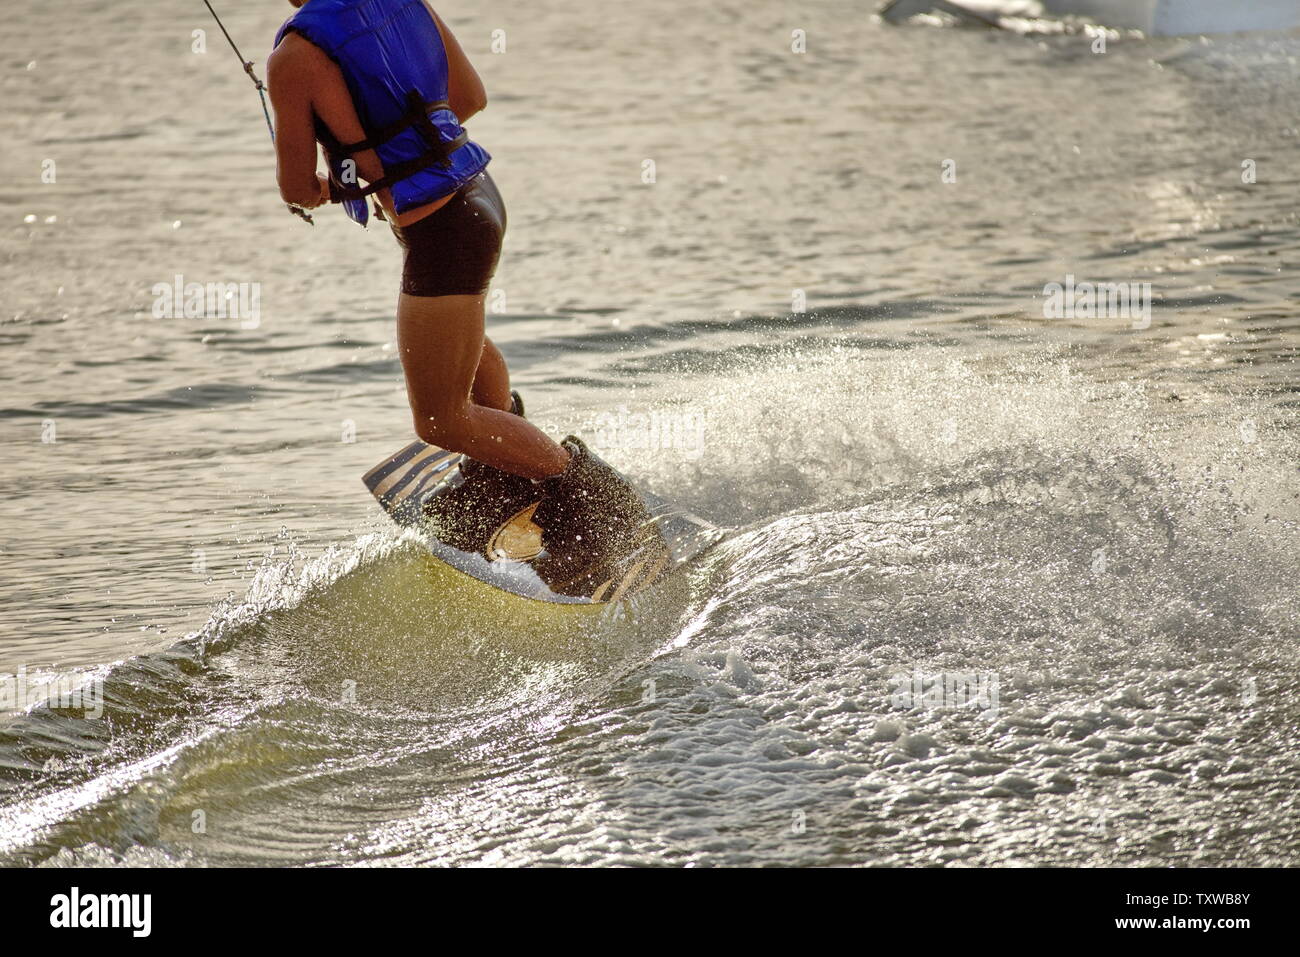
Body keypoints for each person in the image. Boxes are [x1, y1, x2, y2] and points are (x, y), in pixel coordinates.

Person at [266, 0, 646, 556]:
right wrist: (401, 155)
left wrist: (341, 181)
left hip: (443, 227)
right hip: (477, 195)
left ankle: (592, 506)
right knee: (458, 350)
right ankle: (502, 477)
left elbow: (298, 187)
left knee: (440, 419)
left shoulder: (292, 59)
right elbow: (469, 98)